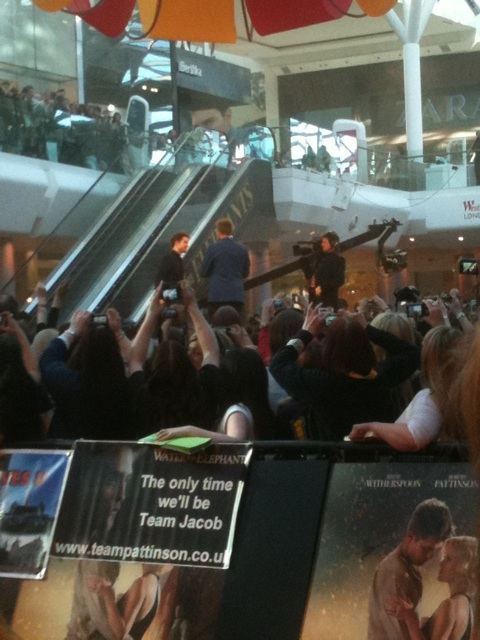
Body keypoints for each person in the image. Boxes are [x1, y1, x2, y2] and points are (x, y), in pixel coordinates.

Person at [270, 305, 420, 440]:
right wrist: (368, 329)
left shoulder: (319, 383)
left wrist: (306, 333)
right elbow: (412, 353)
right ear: (366, 346)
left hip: (333, 458)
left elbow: (278, 363)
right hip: (376, 457)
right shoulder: (380, 377)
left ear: (328, 349)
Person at [349, 326, 464, 451]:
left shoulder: (431, 398)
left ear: (427, 355)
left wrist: (372, 427)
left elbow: (414, 437)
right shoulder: (463, 394)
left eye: (422, 345)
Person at [368, 498, 454, 640]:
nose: (430, 556)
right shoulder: (395, 573)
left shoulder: (409, 568)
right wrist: (413, 619)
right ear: (410, 537)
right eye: (426, 548)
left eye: (435, 550)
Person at [386, 536, 478, 640]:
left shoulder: (450, 605)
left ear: (463, 567)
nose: (441, 562)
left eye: (448, 558)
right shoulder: (466, 606)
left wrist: (410, 618)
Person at [200, 218, 250, 317]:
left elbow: (203, 272)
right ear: (231, 230)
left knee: (217, 322)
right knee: (235, 322)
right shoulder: (242, 249)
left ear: (218, 231)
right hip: (236, 295)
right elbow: (245, 273)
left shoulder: (213, 249)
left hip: (216, 295)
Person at [306, 232, 345, 309]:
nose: (322, 245)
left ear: (333, 243)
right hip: (317, 300)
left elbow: (340, 280)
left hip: (327, 302)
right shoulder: (321, 259)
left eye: (324, 242)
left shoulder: (337, 259)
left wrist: (322, 288)